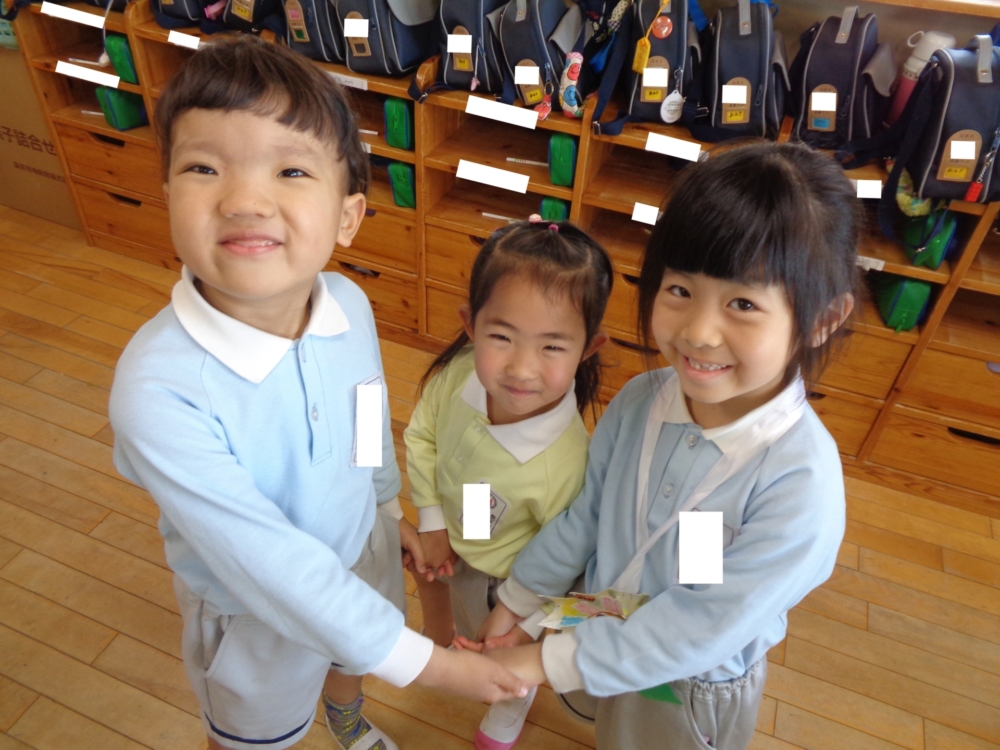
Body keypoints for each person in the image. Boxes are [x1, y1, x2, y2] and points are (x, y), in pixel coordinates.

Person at [108, 35, 531, 750]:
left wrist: (383, 506)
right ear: (168, 193)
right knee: (253, 737)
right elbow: (270, 567)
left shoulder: (347, 304)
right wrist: (435, 666)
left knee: (347, 662)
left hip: (361, 550)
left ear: (347, 217)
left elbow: (366, 412)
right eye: (204, 167)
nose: (245, 201)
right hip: (254, 618)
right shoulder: (157, 391)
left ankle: (345, 717)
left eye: (291, 170)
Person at [473, 142, 857, 750]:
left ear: (822, 320)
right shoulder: (641, 399)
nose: (698, 332)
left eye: (743, 303)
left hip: (688, 683)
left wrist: (541, 662)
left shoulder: (801, 487)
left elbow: (702, 626)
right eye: (680, 289)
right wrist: (517, 604)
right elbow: (587, 516)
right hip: (601, 619)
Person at [405, 219, 613, 749]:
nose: (521, 368)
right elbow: (423, 432)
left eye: (552, 346)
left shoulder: (566, 463)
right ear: (470, 325)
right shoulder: (461, 373)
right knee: (468, 633)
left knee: (504, 653)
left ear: (588, 348)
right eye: (502, 337)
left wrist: (522, 625)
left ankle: (508, 710)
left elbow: (565, 566)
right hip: (460, 550)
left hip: (514, 586)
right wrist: (432, 521)